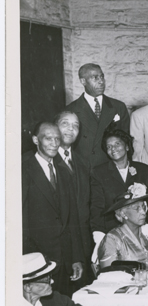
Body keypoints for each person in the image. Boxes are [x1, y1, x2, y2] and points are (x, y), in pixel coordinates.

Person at [22, 122, 84, 296]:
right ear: (36, 140)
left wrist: (76, 258)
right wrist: (31, 263)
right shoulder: (22, 169)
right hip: (36, 264)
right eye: (48, 138)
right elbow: (19, 220)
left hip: (64, 262)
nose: (54, 143)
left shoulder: (64, 172)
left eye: (58, 138)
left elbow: (72, 219)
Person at [90, 125, 148, 240]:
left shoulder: (144, 170)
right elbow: (97, 206)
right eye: (109, 146)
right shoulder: (99, 172)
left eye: (117, 144)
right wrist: (98, 232)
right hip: (111, 231)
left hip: (141, 229)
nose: (113, 149)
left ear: (127, 146)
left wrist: (147, 223)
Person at [65, 63, 130, 170]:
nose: (101, 81)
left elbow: (126, 141)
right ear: (83, 81)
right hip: (84, 170)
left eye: (102, 77)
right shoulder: (70, 110)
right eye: (95, 78)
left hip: (112, 168)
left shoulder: (118, 107)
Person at [54, 111, 92, 286]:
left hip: (82, 245)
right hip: (56, 247)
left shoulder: (83, 163)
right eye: (65, 123)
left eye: (75, 125)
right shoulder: (44, 162)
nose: (71, 129)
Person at [96, 183, 148, 270]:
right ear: (123, 213)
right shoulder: (112, 239)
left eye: (143, 207)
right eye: (136, 208)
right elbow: (108, 274)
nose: (143, 212)